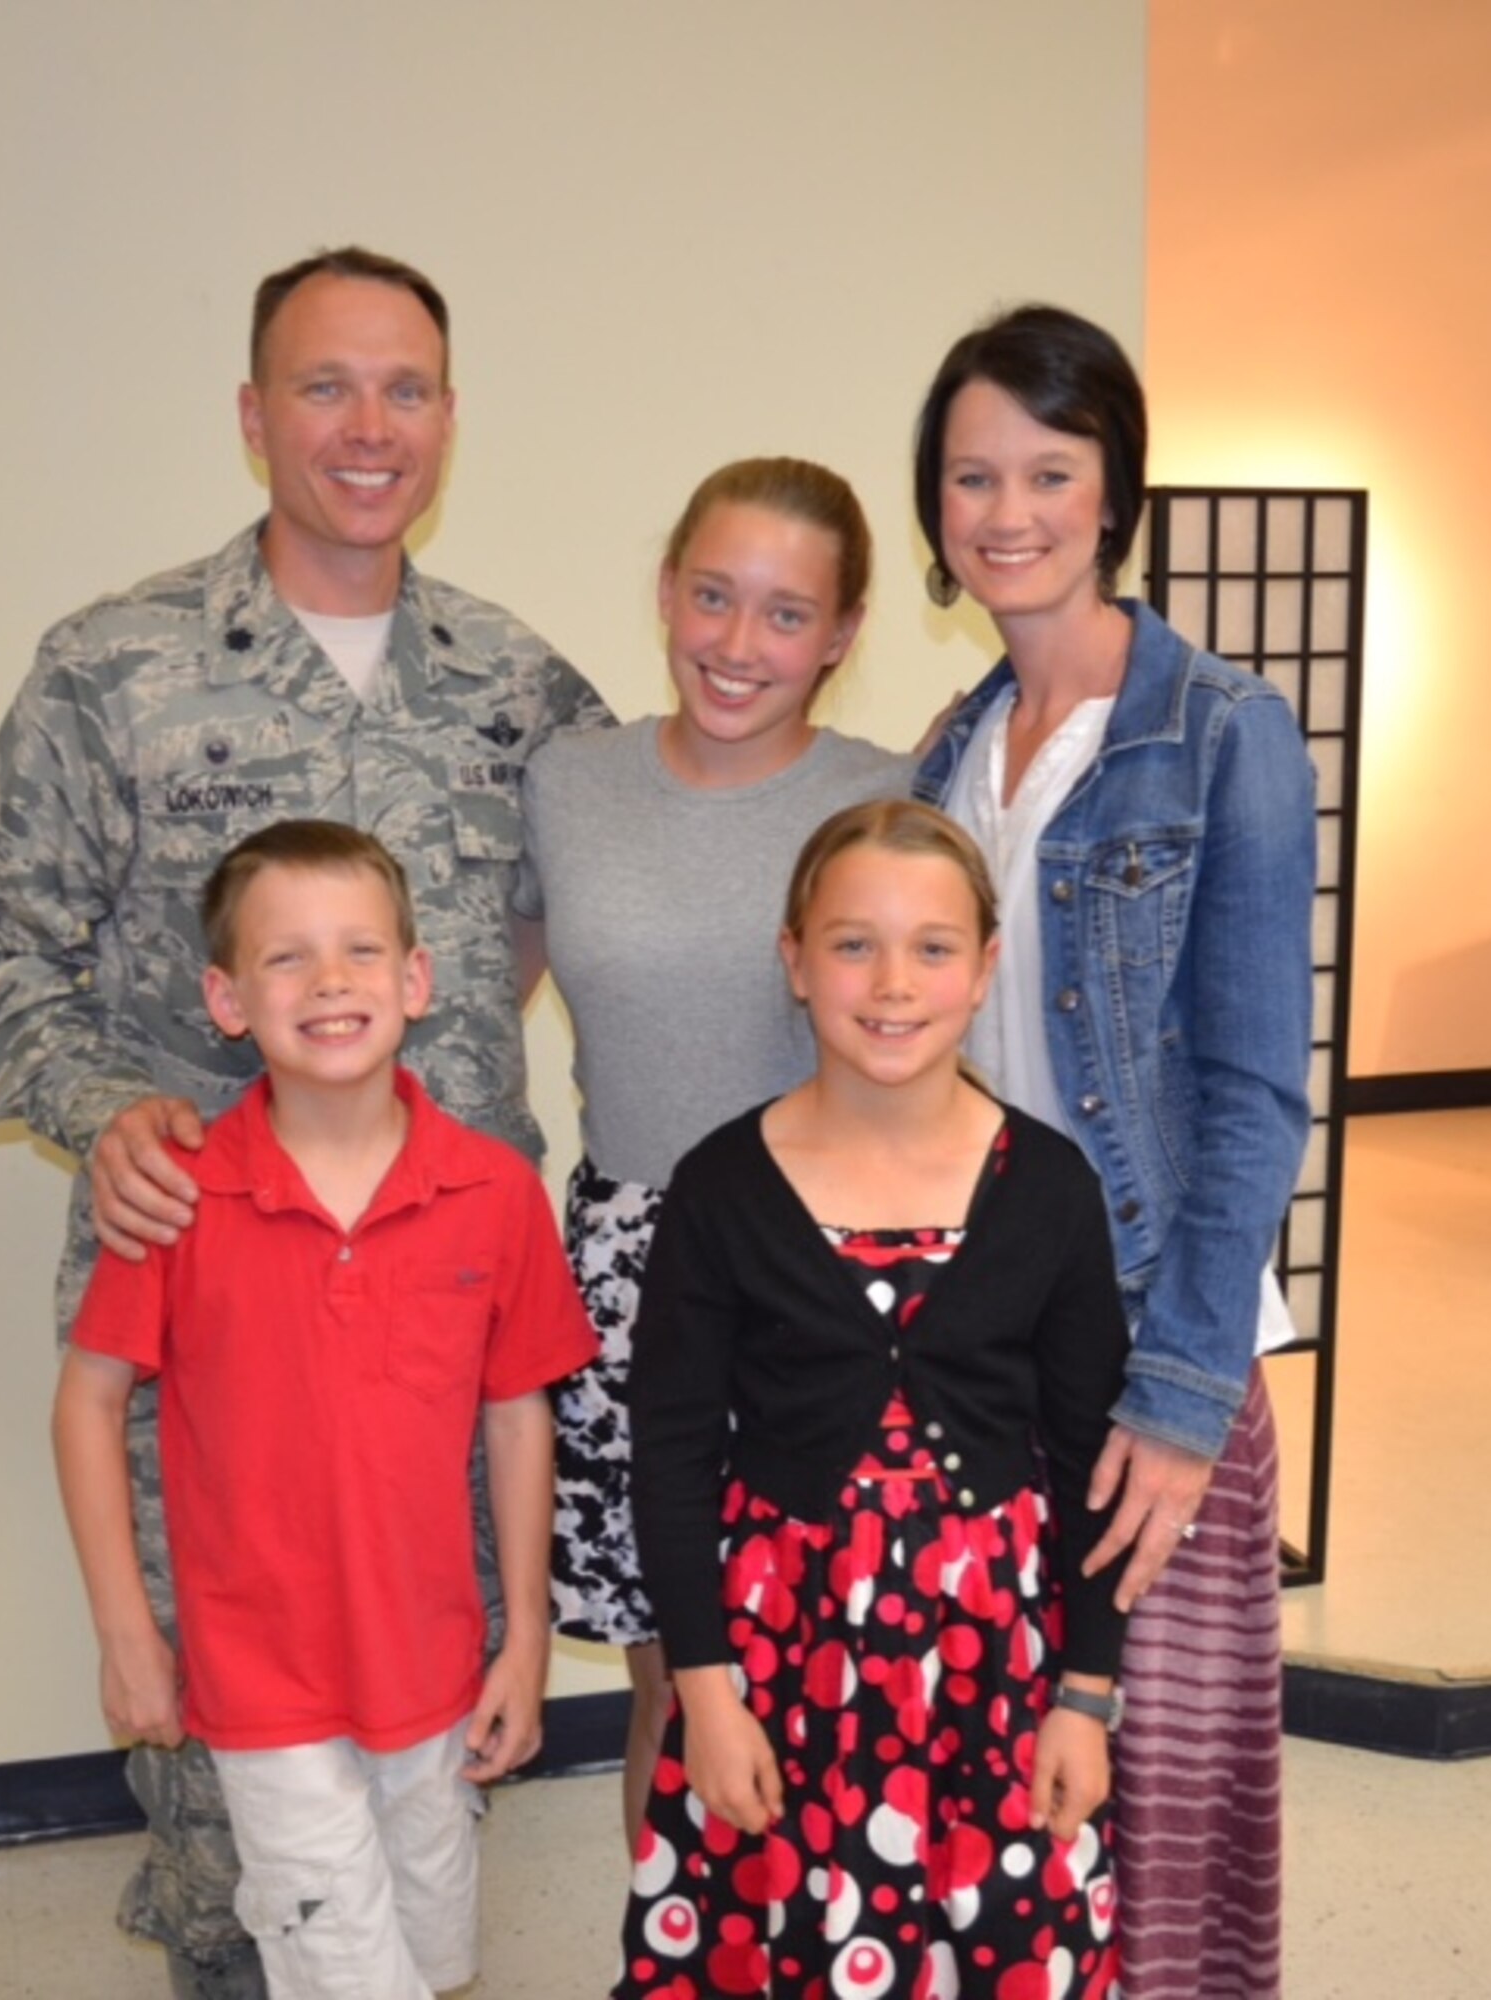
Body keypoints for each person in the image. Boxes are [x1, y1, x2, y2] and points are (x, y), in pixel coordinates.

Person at [0, 244, 608, 1999]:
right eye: (323, 385)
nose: (369, 427)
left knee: (433, 1792)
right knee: (239, 1842)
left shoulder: (520, 689)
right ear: (250, 416)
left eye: (407, 388)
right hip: (213, 1363)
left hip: (440, 1340)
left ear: (450, 419)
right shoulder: (117, 669)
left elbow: (616, 896)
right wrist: (99, 1101)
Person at [911, 304, 1316, 2000]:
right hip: (990, 1344)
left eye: (1049, 472)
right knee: (1011, 1791)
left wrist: (1177, 1394)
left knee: (1167, 1812)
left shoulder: (1223, 729)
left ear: (1113, 490)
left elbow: (1250, 1092)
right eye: (971, 474)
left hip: (1161, 1337)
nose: (1008, 510)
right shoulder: (948, 748)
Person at [54, 821, 597, 2000]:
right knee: (345, 1970)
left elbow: (518, 1416)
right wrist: (127, 1635)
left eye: (359, 949)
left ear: (416, 978)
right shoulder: (180, 1192)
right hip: (263, 1678)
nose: (331, 980)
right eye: (287, 957)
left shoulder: (493, 1190)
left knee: (435, 1950)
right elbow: (88, 1404)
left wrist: (526, 1641)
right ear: (227, 996)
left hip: (436, 1664)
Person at [615, 799, 1131, 1998]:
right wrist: (704, 1690)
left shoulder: (1050, 1187)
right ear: (794, 961)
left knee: (1008, 1945)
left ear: (985, 965)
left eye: (933, 947)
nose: (893, 981)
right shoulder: (722, 1185)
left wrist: (1087, 1696)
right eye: (853, 943)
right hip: (779, 1659)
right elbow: (674, 1451)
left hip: (996, 1662)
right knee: (794, 1937)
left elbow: (1092, 1458)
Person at [514, 458, 912, 1846]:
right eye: (711, 597)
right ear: (667, 591)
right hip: (630, 1274)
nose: (739, 647)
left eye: (786, 615)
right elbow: (462, 1003)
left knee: (849, 1685)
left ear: (845, 633)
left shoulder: (890, 799)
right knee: (679, 1695)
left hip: (835, 1272)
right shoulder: (569, 783)